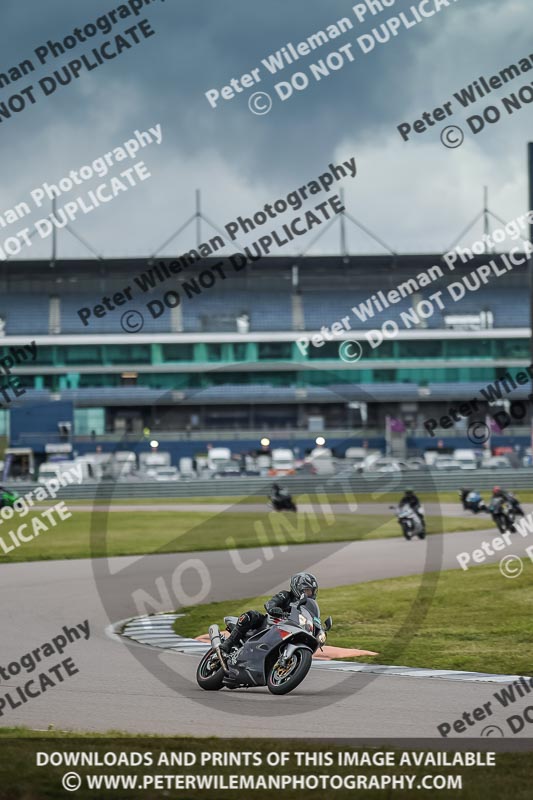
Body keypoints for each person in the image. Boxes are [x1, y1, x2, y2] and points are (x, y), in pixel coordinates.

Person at [220, 572, 319, 653]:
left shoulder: (305, 606)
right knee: (251, 615)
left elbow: (311, 618)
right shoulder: (285, 595)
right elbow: (270, 603)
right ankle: (229, 642)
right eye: (307, 590)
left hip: (290, 630)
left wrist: (319, 629)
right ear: (297, 587)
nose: (309, 594)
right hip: (271, 623)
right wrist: (274, 609)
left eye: (312, 591)